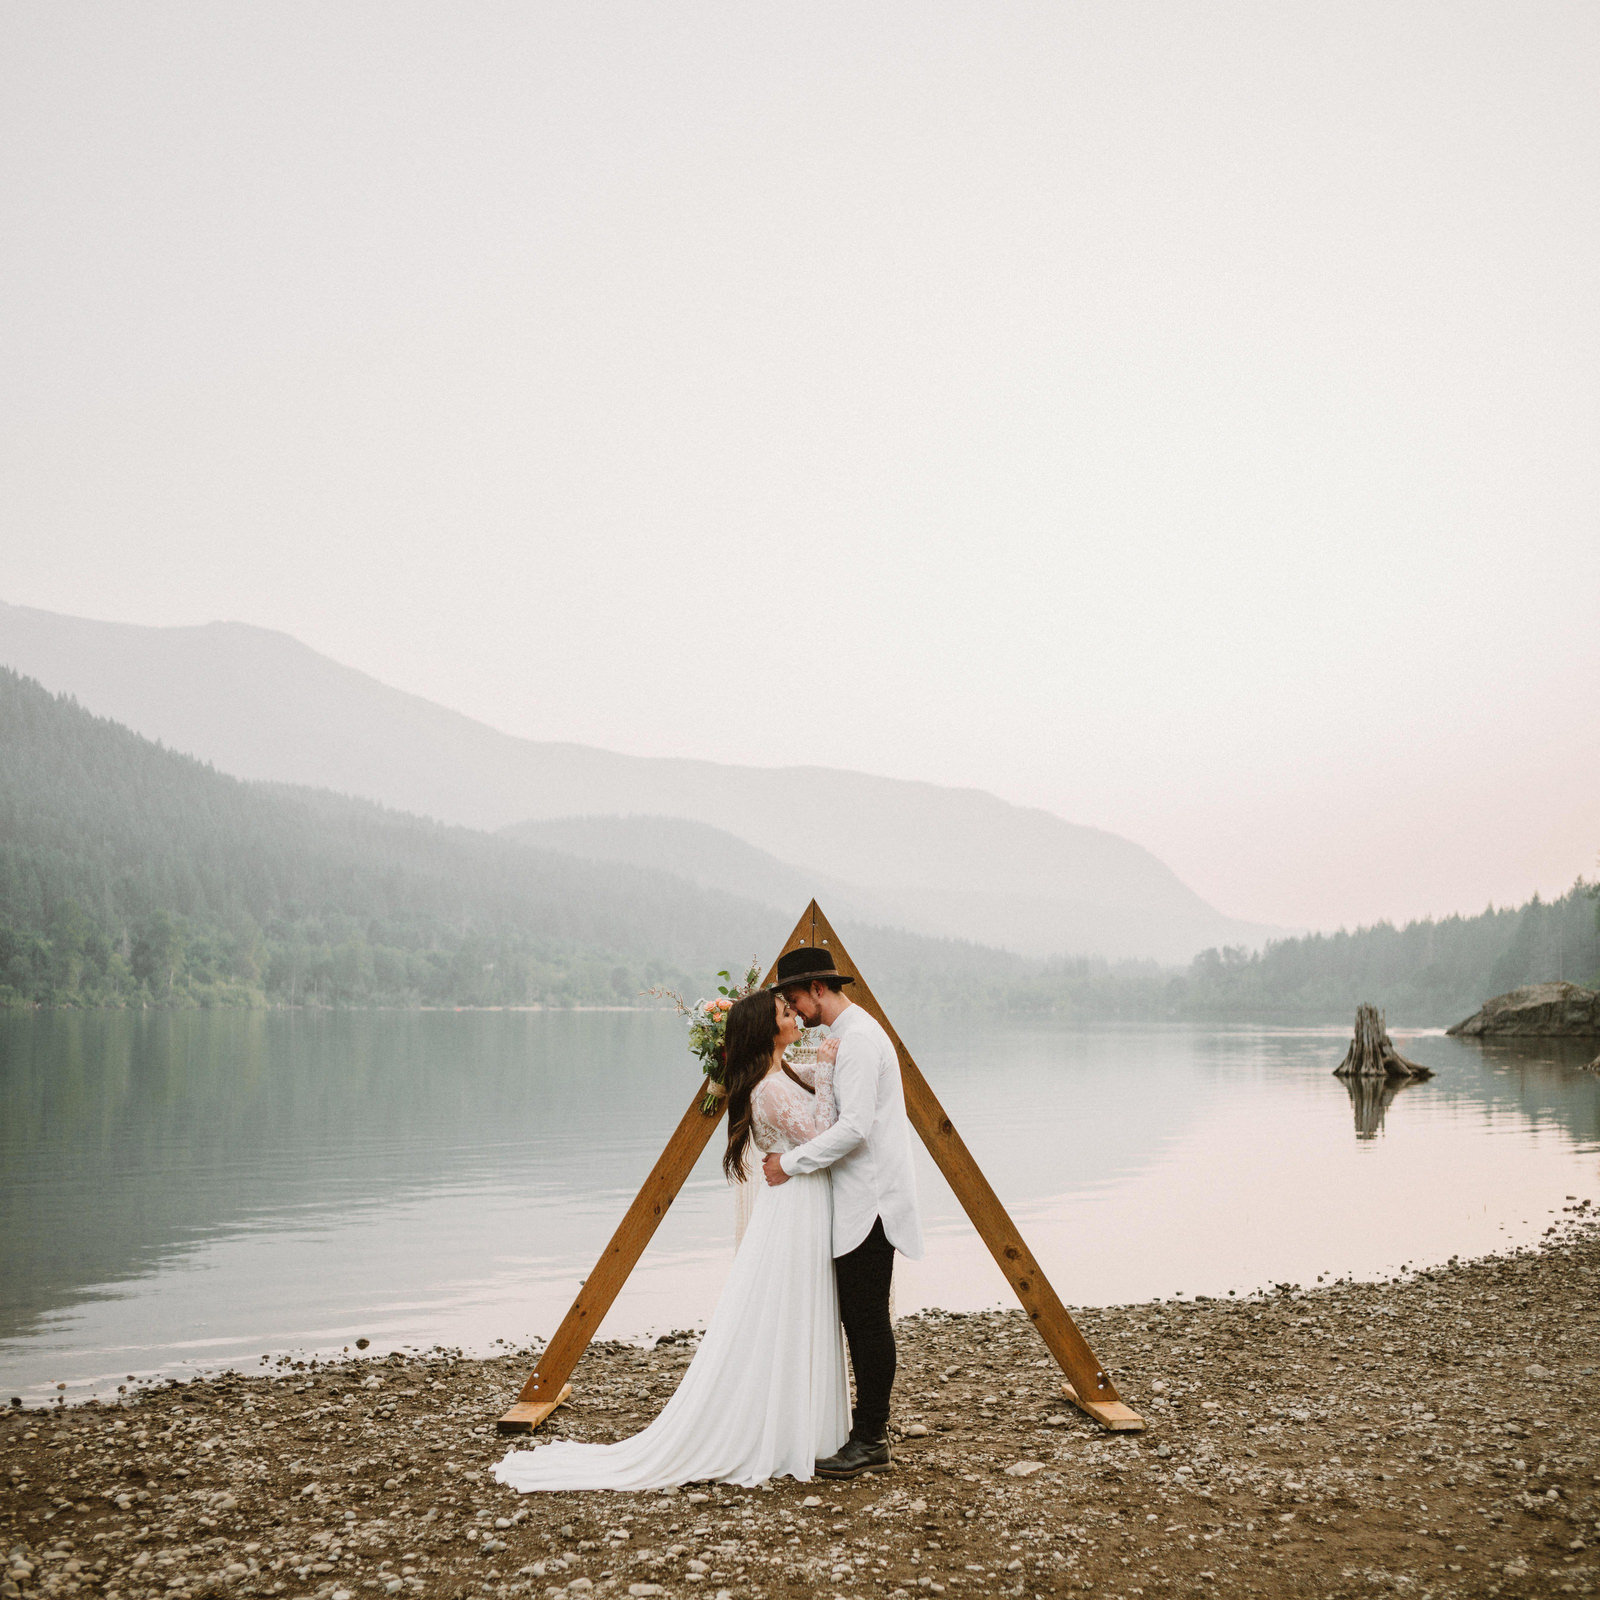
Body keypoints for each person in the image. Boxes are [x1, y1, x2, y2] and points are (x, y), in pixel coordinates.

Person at [490, 988, 849, 1491]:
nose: (793, 1014)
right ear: (766, 1031)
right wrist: (830, 1069)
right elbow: (821, 1132)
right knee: (786, 1309)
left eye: (791, 1007)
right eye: (784, 1011)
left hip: (799, 1204)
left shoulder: (782, 1072)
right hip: (793, 1212)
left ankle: (799, 1425)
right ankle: (777, 1430)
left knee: (797, 1309)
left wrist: (828, 1068)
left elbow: (815, 1109)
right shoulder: (768, 1088)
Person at [764, 945, 923, 1479]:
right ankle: (865, 1432)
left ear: (817, 990)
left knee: (867, 1322)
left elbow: (854, 1127)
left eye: (794, 1000)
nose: (795, 1010)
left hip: (870, 1201)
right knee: (860, 1317)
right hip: (861, 1196)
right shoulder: (847, 1036)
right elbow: (826, 1087)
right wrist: (774, 1061)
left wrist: (789, 1162)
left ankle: (871, 1438)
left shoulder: (856, 1040)